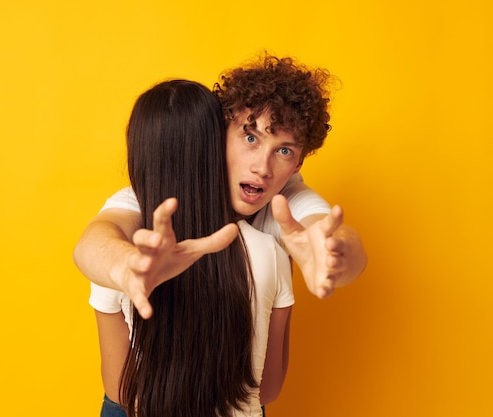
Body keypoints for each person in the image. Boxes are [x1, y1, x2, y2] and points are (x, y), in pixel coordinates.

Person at [74, 54, 367, 319]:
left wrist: (334, 255)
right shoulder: (167, 193)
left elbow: (335, 235)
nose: (262, 168)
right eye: (251, 138)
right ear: (221, 133)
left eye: (284, 151)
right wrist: (126, 267)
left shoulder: (286, 199)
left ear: (298, 164)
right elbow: (93, 242)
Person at [92, 79, 294, 417]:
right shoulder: (269, 252)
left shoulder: (121, 252)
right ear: (217, 149)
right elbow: (269, 389)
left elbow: (119, 389)